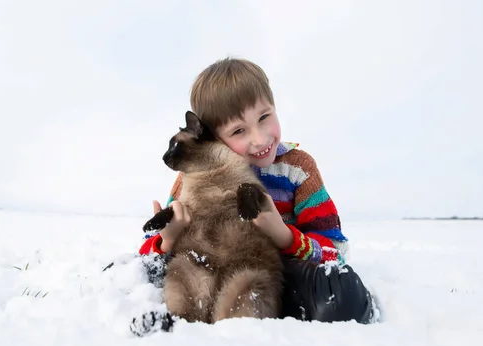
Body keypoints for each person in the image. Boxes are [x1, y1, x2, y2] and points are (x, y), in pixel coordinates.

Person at [135, 57, 378, 331]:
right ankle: (176, 325)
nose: (260, 139)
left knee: (342, 293)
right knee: (144, 272)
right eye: (238, 131)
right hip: (203, 270)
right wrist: (169, 238)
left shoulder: (298, 169)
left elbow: (336, 252)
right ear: (212, 137)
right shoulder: (193, 176)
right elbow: (145, 252)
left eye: (264, 117)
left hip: (272, 279)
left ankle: (241, 331)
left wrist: (283, 236)